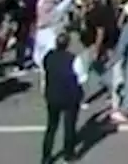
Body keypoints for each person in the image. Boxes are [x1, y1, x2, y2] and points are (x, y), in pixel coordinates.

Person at [40, 31, 86, 164]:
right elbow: (82, 78)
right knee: (69, 125)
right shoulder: (73, 58)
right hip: (69, 96)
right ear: (68, 44)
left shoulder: (48, 57)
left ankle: (46, 157)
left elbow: (44, 73)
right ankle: (68, 154)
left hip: (52, 95)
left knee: (51, 126)